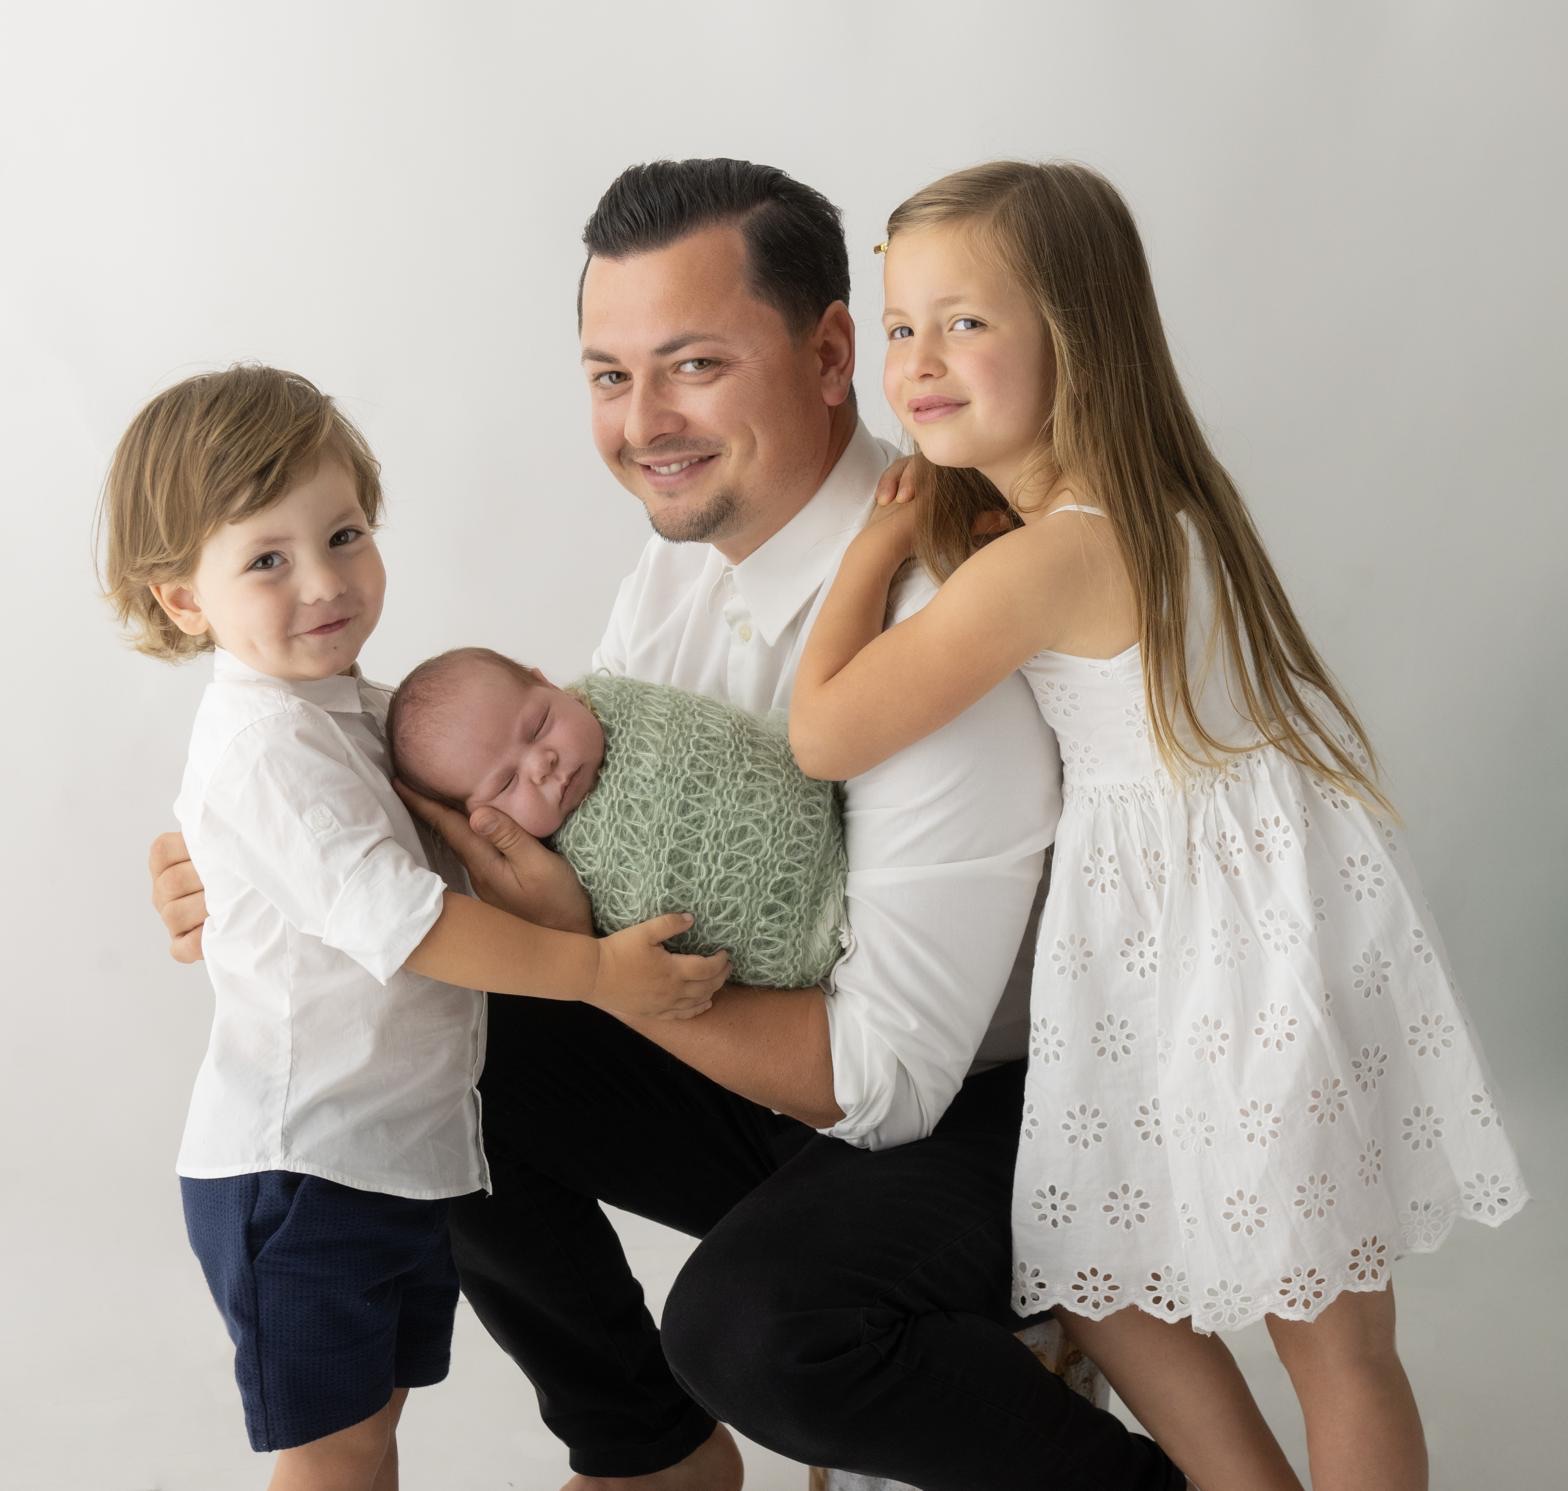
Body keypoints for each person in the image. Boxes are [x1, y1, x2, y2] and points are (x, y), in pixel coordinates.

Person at [149, 160, 1187, 1491]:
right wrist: (259, 860)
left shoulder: (938, 607)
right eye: (609, 375)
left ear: (830, 356)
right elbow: (529, 850)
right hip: (780, 1066)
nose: (644, 423)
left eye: (693, 364)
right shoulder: (680, 566)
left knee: (753, 1329)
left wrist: (600, 972)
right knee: (420, 1039)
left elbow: (886, 1082)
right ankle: (651, 1454)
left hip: (997, 1111)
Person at [788, 160, 1530, 1491]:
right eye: (900, 325)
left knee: (1304, 1332)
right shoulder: (1164, 501)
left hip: (1216, 951)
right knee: (1120, 1279)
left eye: (965, 321)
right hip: (1241, 925)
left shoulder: (1050, 557)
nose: (918, 361)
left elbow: (824, 735)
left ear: (1074, 335)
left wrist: (869, 553)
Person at [101, 366, 728, 1491]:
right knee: (335, 1447)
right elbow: (410, 923)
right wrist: (592, 969)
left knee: (372, 1424)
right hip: (300, 1167)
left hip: (384, 1155)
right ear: (184, 600)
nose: (324, 582)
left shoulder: (351, 713)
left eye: (343, 536)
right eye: (267, 560)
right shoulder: (267, 746)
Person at [386, 646, 848, 988]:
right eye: (506, 783)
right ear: (482, 821)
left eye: (539, 726)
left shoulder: (623, 703)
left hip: (837, 797)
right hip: (819, 948)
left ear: (548, 683)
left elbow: (728, 736)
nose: (541, 763)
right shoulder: (546, 877)